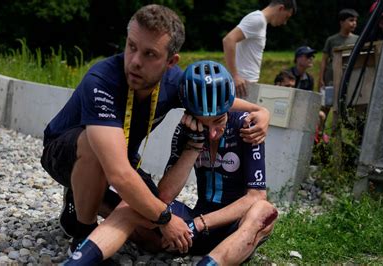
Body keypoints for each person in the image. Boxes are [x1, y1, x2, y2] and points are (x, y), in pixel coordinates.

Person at [41, 4, 271, 254]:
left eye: (150, 54)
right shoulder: (102, 80)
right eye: (131, 46)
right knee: (98, 151)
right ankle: (82, 231)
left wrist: (261, 112)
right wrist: (167, 219)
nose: (136, 62)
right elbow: (119, 174)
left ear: (170, 62)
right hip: (65, 154)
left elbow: (212, 99)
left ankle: (84, 199)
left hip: (123, 162)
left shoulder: (173, 82)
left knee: (153, 236)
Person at [64, 61, 278, 266]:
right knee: (130, 205)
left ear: (229, 108)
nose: (213, 132)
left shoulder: (247, 126)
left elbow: (255, 196)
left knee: (263, 209)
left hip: (233, 228)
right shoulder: (186, 131)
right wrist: (194, 146)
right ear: (190, 114)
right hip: (194, 228)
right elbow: (164, 196)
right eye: (205, 123)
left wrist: (199, 224)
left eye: (219, 120)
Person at [223, 0, 296, 98]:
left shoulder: (261, 22)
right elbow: (228, 40)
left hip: (245, 85)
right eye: (286, 17)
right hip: (240, 85)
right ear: (281, 8)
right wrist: (235, 75)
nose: (285, 22)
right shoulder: (257, 20)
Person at [318, 9, 359, 89]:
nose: (354, 23)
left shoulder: (358, 40)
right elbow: (324, 60)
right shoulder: (331, 40)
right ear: (341, 23)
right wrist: (321, 78)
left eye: (355, 21)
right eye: (351, 20)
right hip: (332, 76)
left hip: (350, 74)